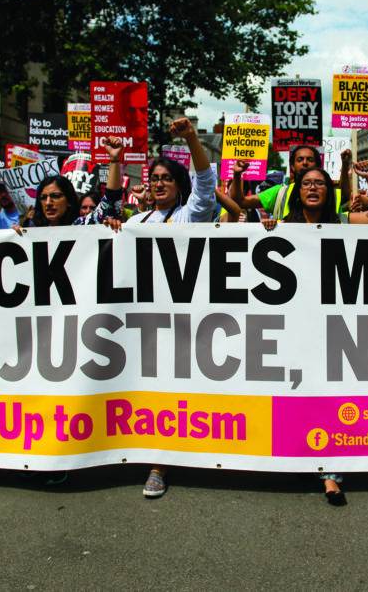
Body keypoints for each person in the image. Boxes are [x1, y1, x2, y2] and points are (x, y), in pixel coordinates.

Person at [263, 161, 368, 506]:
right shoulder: (283, 226)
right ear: (297, 191)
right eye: (307, 183)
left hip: (334, 326)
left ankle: (331, 475)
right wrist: (265, 230)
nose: (314, 188)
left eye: (320, 183)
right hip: (293, 325)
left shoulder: (344, 223)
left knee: (331, 396)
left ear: (330, 191)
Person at [104, 118, 216, 498]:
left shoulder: (190, 216)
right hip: (143, 320)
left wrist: (190, 139)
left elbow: (206, 184)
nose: (159, 182)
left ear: (179, 185)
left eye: (168, 177)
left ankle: (159, 463)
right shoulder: (138, 221)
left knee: (172, 387)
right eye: (155, 177)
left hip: (184, 319)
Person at [231, 144, 351, 220]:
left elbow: (345, 195)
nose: (305, 163)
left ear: (318, 165)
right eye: (300, 159)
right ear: (292, 166)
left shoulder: (329, 191)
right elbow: (241, 202)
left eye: (310, 159)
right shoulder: (279, 192)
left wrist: (345, 165)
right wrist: (237, 175)